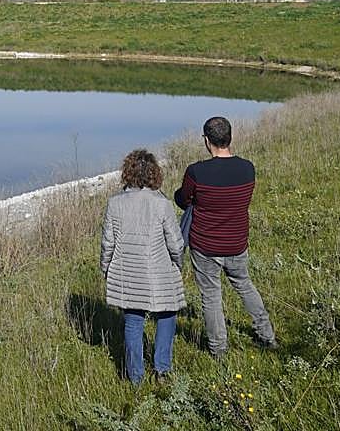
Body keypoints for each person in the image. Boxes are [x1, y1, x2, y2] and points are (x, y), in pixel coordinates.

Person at [175, 116, 276, 358]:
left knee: (210, 296)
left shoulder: (196, 172)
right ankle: (267, 335)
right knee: (244, 285)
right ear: (230, 138)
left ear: (206, 141)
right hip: (237, 242)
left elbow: (183, 199)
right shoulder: (247, 168)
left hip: (205, 244)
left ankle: (218, 349)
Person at [100, 148, 185, 385]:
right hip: (159, 270)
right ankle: (162, 369)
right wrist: (178, 265)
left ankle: (135, 376)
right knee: (167, 314)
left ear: (127, 173)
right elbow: (176, 244)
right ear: (154, 174)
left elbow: (108, 242)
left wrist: (105, 268)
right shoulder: (162, 203)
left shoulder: (115, 203)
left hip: (127, 273)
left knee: (133, 321)